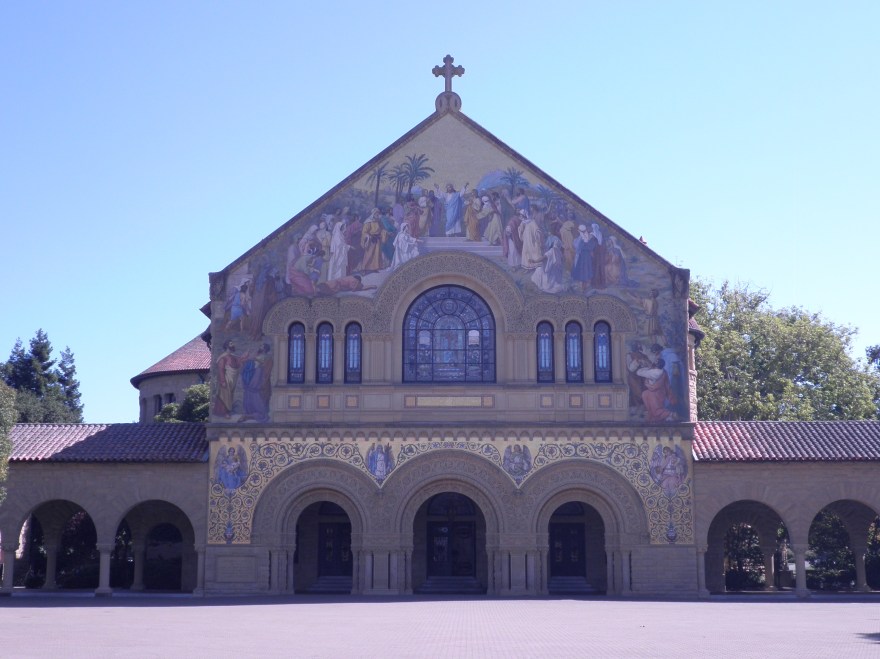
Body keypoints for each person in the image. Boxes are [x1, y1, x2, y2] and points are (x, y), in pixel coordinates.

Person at [241, 343, 272, 422]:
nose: (260, 347)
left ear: (265, 349)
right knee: (249, 390)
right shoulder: (258, 355)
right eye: (261, 346)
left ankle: (253, 414)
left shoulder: (267, 357)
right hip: (253, 373)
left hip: (258, 374)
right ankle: (248, 412)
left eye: (262, 346)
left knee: (254, 390)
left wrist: (254, 359)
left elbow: (264, 365)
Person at [214, 340, 242, 417]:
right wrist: (222, 381)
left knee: (229, 396)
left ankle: (228, 411)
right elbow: (221, 369)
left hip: (232, 380)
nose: (233, 345)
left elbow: (238, 364)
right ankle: (223, 412)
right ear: (227, 346)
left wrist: (244, 358)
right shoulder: (223, 357)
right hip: (225, 380)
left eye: (233, 343)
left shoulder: (233, 357)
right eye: (231, 343)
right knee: (224, 395)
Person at [358, 208, 386, 273]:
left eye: (378, 213)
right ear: (373, 213)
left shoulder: (378, 221)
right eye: (376, 213)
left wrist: (384, 232)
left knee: (376, 254)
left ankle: (374, 268)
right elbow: (364, 232)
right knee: (369, 254)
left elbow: (382, 229)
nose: (378, 214)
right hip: (371, 240)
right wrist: (368, 236)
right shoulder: (368, 221)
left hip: (377, 239)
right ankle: (364, 268)